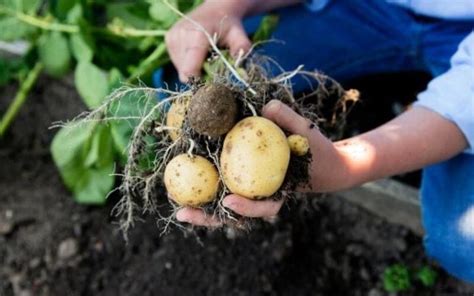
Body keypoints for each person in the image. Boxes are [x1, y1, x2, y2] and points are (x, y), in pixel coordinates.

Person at [162, 0, 474, 282]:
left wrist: (347, 166)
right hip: (366, 8)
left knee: (463, 245)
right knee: (181, 81)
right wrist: (229, 5)